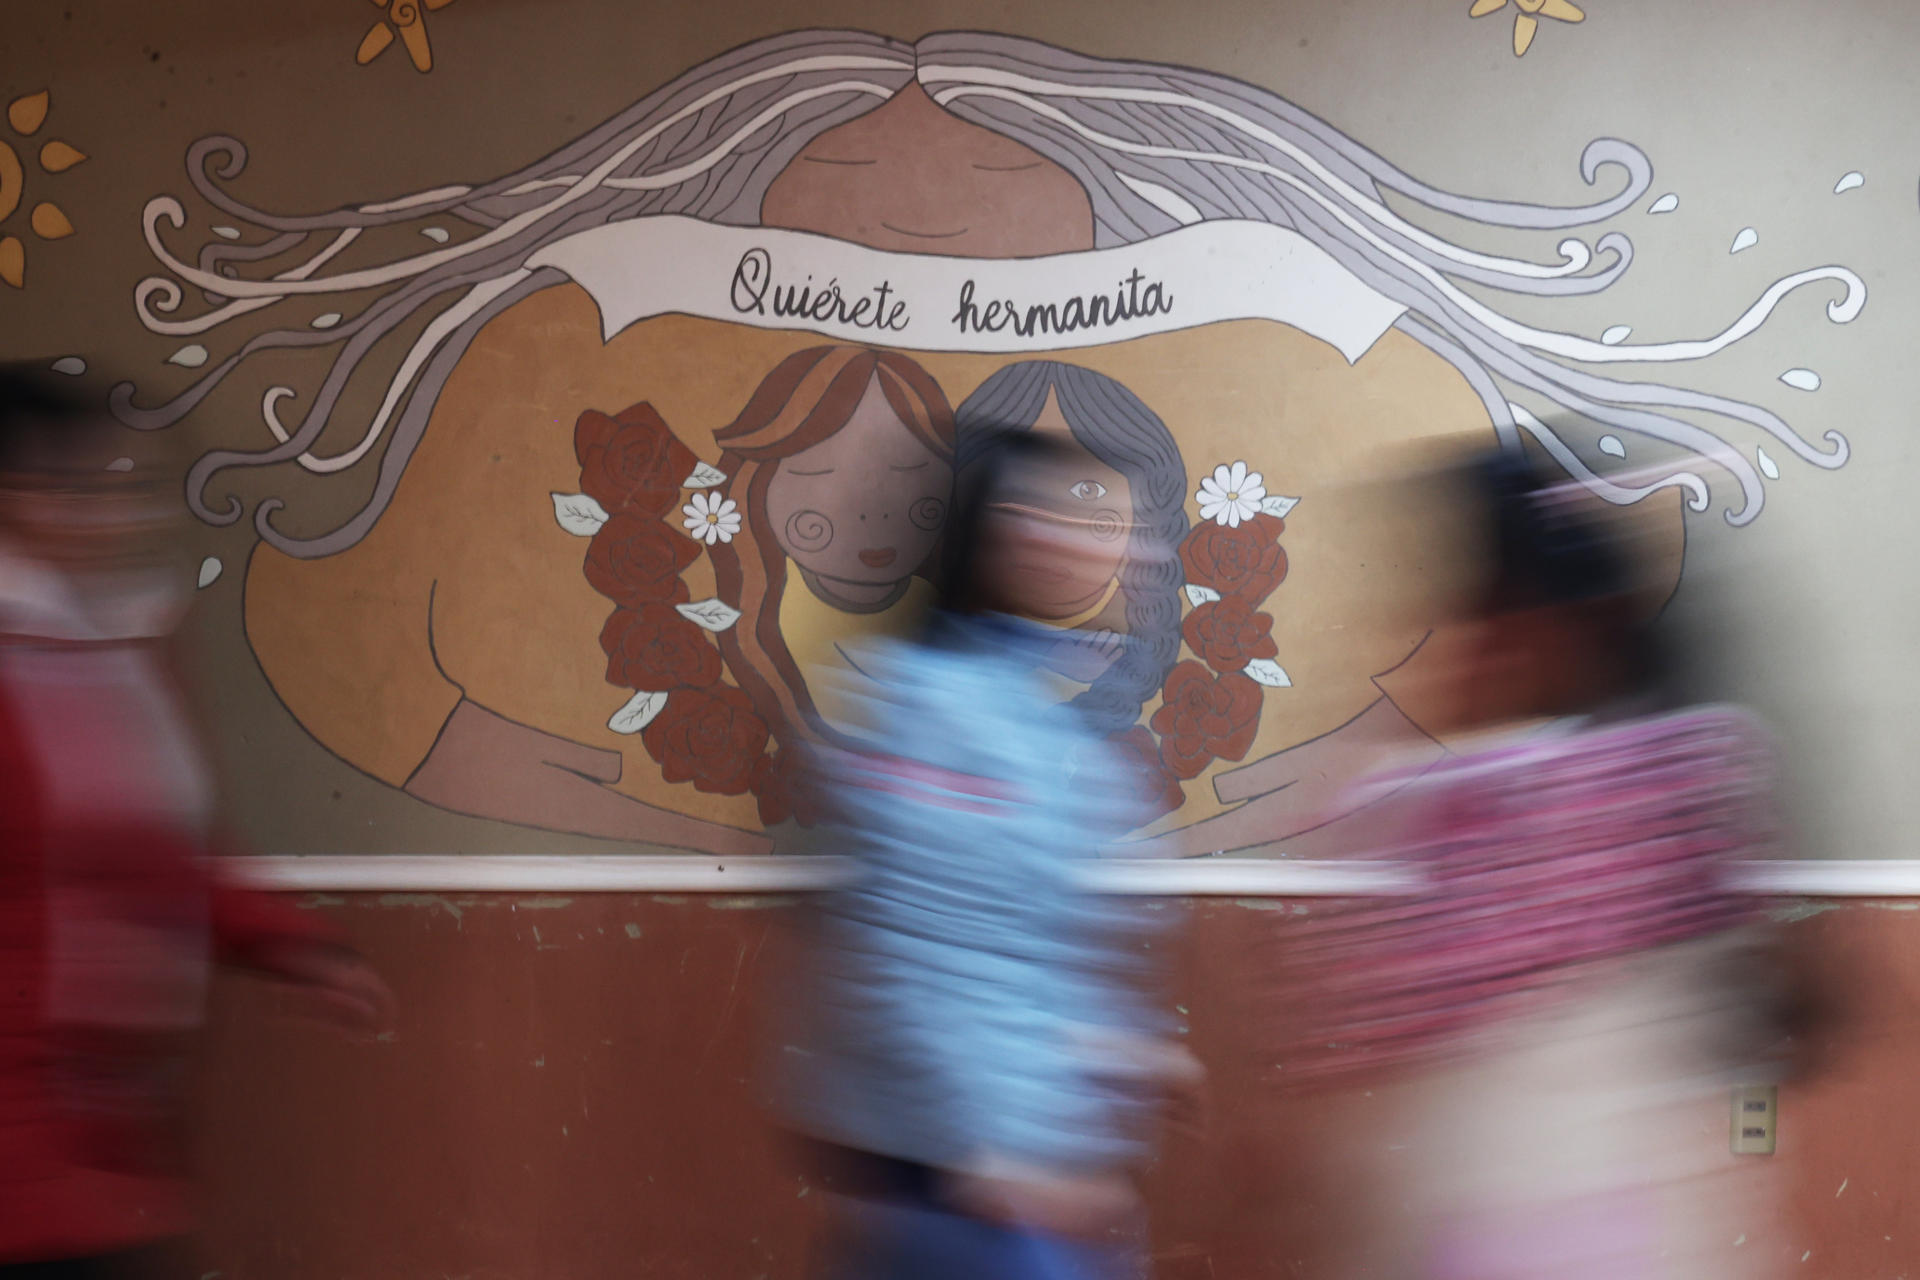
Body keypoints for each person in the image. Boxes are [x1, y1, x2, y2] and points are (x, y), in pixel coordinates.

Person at [1263, 448, 1820, 1278]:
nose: (1444, 644)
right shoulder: (1692, 764)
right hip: (1632, 1213)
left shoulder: (1521, 799)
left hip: (1536, 1219)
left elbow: (1353, 1011)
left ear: (1532, 626)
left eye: (1468, 618)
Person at [772, 430, 1199, 1280]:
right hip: (958, 1176)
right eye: (1087, 517)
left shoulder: (1020, 700)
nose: (1126, 546)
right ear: (1012, 532)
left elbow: (1017, 937)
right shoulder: (932, 708)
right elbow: (905, 953)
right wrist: (983, 1164)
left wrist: (1119, 1047)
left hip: (1013, 1156)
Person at [0, 364, 391, 1279]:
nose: (116, 513)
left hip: (114, 1134)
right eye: (77, 486)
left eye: (124, 486)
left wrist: (294, 945)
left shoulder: (113, 645)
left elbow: (157, 852)